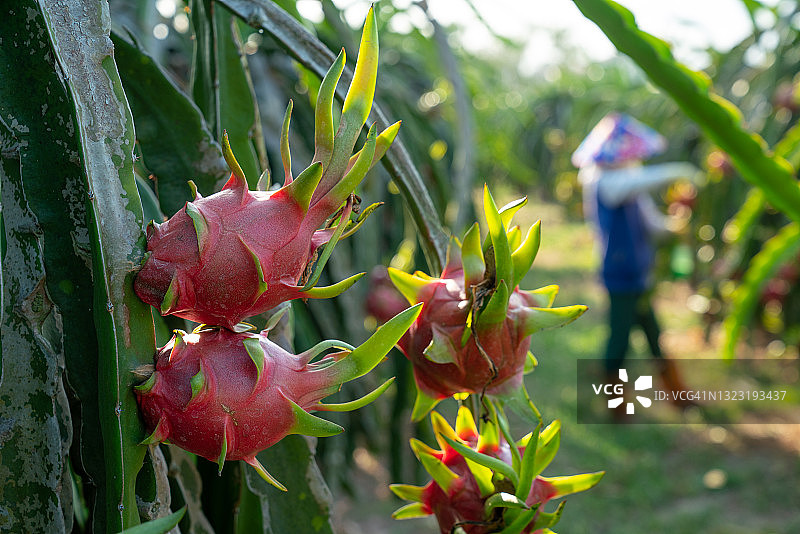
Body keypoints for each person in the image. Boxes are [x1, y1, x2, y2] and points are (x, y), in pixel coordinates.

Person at [572, 112, 697, 407]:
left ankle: (678, 394)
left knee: (653, 333)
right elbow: (626, 187)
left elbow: (652, 225)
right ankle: (616, 403)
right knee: (620, 339)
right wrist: (676, 170)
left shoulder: (629, 183)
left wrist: (675, 225)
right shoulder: (602, 182)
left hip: (639, 272)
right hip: (619, 274)